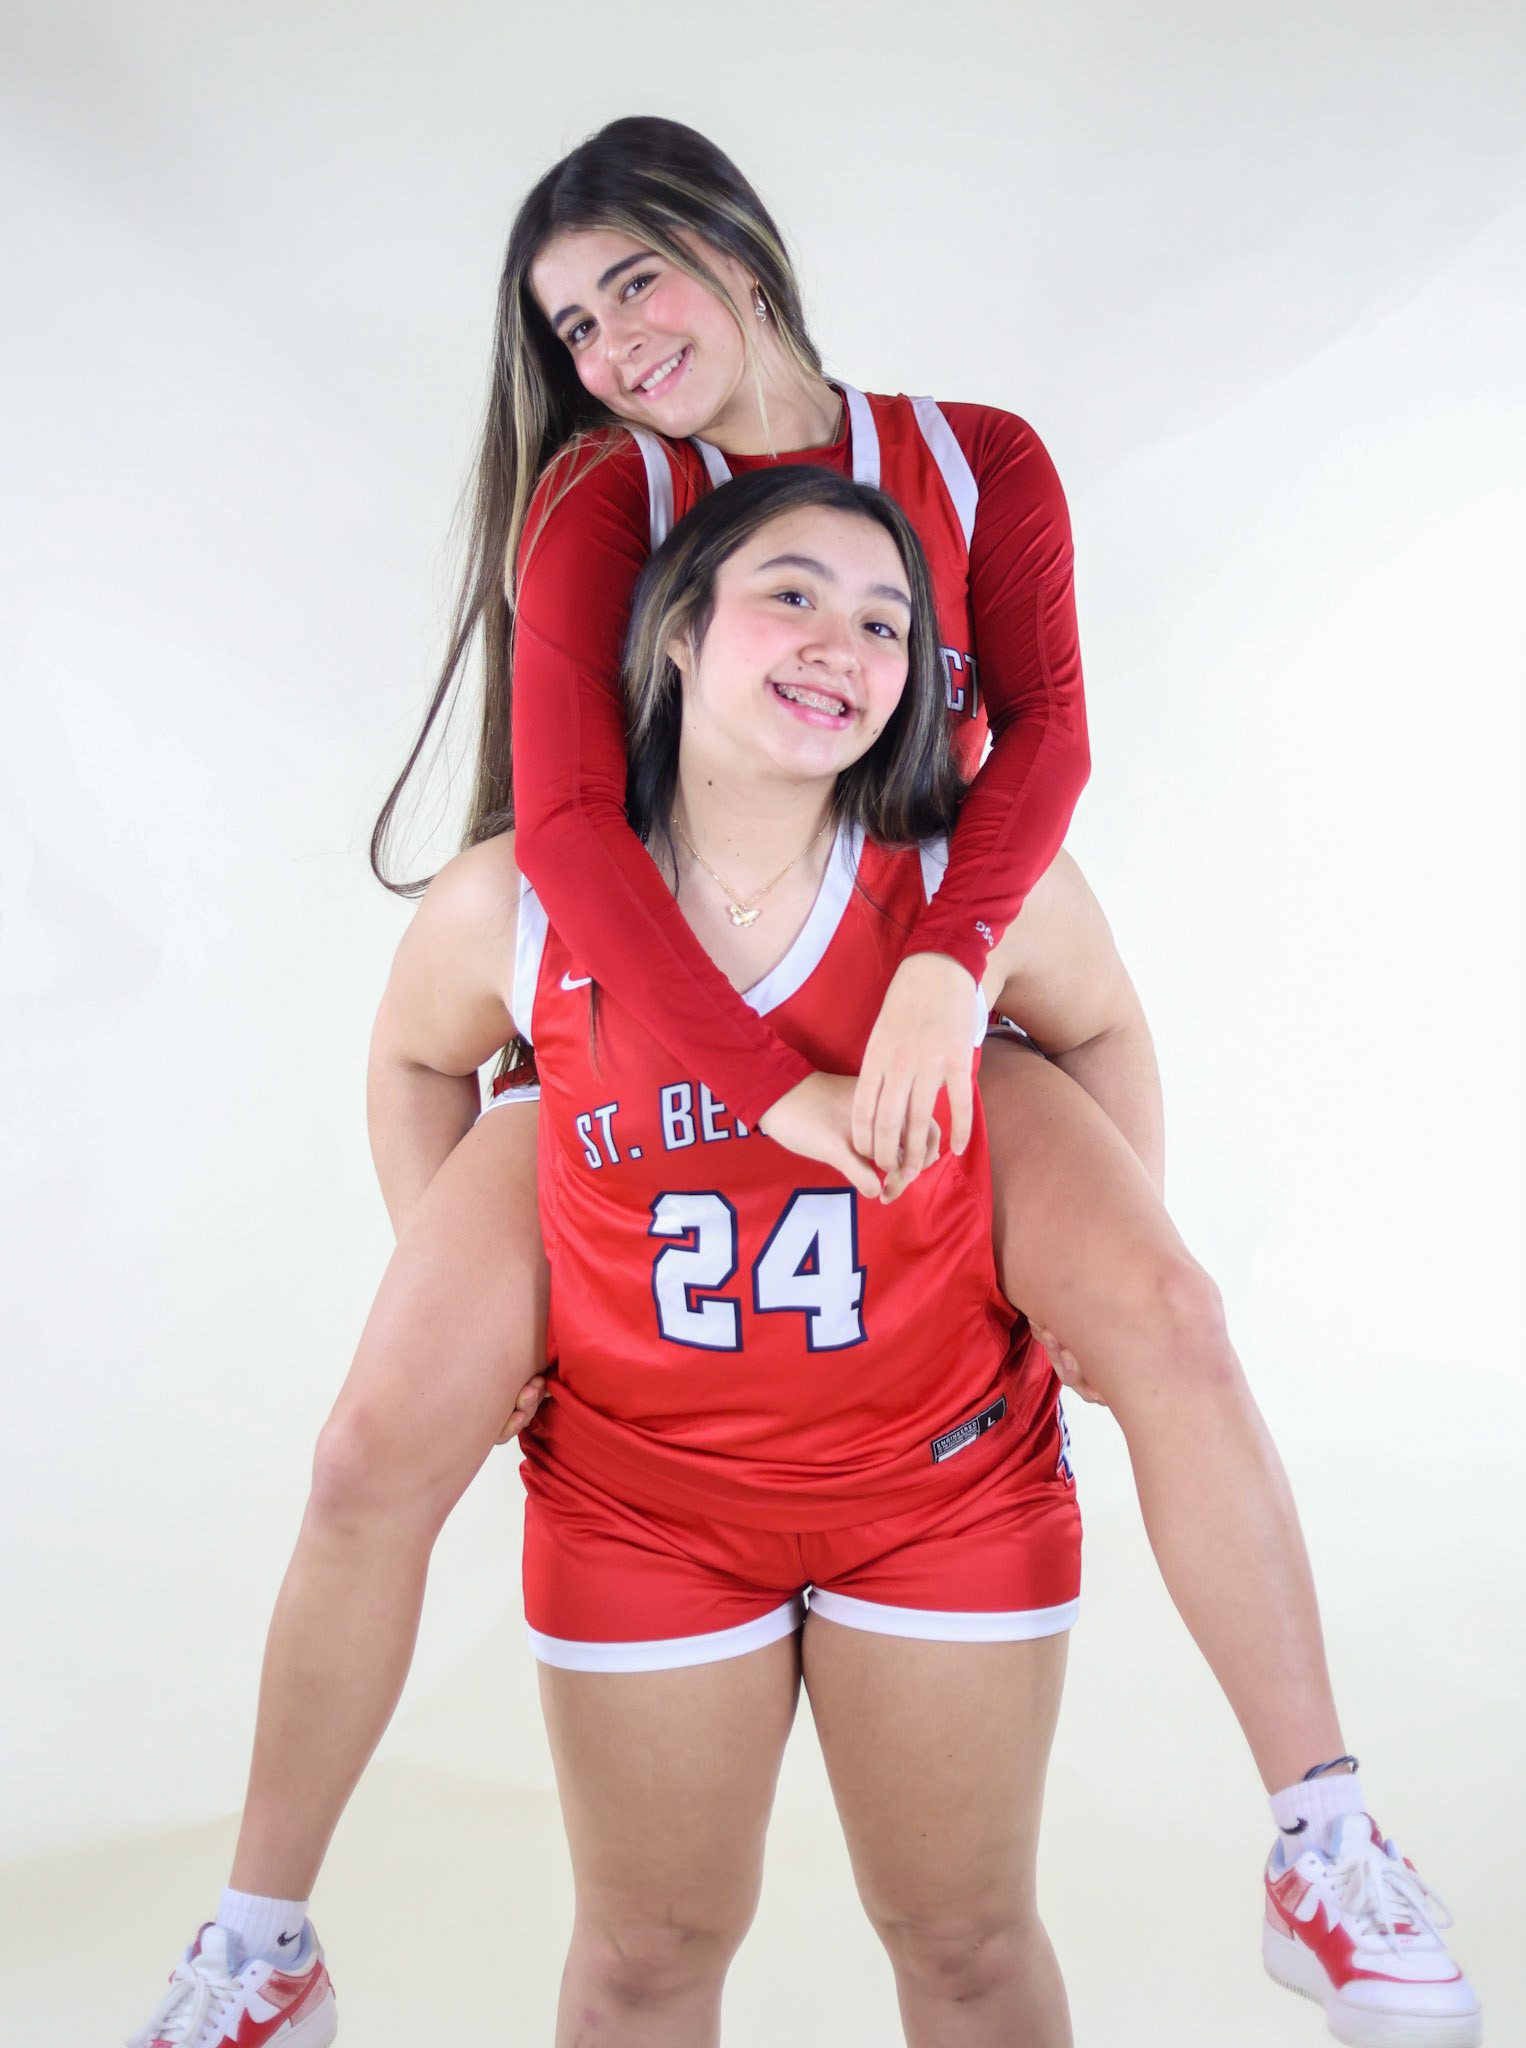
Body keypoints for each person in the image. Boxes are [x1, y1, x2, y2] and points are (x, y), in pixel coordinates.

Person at [129, 122, 1478, 2048]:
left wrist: (944, 990)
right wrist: (711, 1141)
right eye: (572, 324)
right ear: (684, 628)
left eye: (632, 284)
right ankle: (263, 1937)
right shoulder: (606, 509)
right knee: (379, 1472)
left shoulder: (972, 469)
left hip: (925, 1053)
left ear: (737, 246)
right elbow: (575, 833)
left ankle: (1319, 1837)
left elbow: (1054, 749)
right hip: (640, 1095)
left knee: (1167, 1321)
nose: (606, 344)